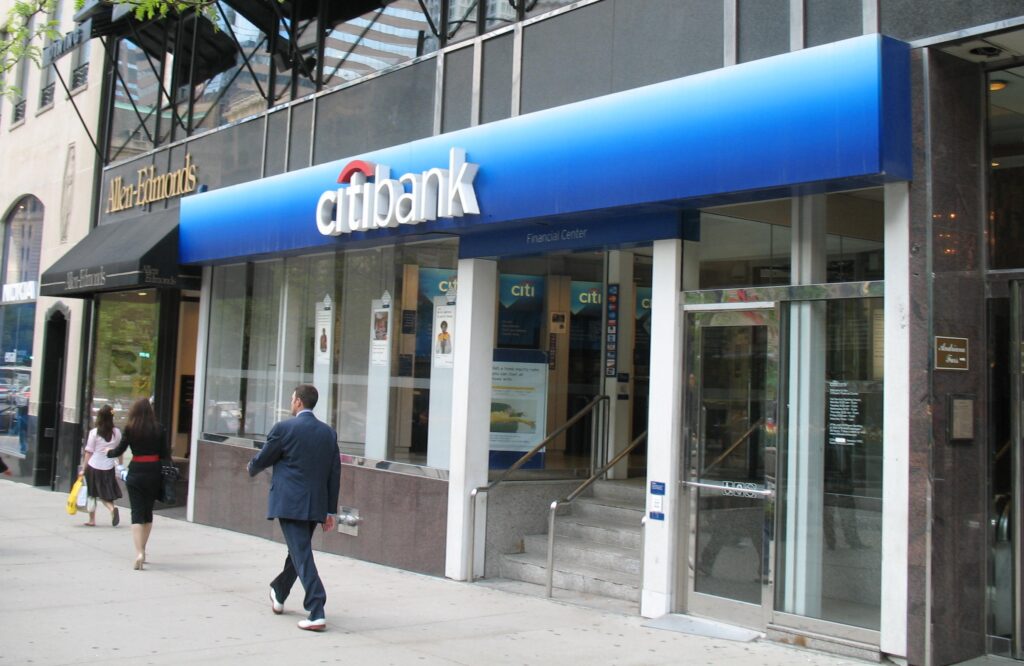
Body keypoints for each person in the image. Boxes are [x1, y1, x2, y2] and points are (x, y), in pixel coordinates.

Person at [247, 384, 340, 632]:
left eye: (292, 399)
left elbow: (264, 458)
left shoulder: (284, 428)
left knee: (301, 553)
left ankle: (316, 608)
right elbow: (334, 473)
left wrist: (252, 468)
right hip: (316, 503)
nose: (291, 403)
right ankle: (279, 591)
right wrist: (330, 510)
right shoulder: (328, 433)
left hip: (289, 503)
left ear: (298, 402)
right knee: (297, 552)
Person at [106, 397, 170, 570]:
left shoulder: (130, 428)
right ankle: (144, 549)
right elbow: (165, 453)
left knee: (136, 512)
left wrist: (109, 452)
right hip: (154, 471)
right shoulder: (159, 428)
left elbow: (120, 450)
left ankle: (139, 552)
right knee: (148, 512)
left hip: (136, 470)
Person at [81, 405, 123, 527]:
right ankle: (111, 509)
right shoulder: (117, 433)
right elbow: (119, 451)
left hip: (94, 466)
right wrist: (120, 466)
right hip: (109, 467)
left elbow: (89, 452)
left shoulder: (94, 433)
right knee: (106, 493)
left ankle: (92, 519)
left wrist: (83, 468)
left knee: (92, 493)